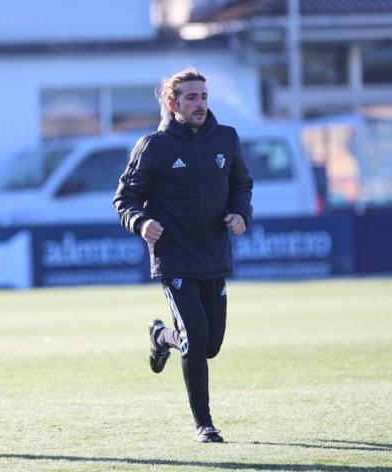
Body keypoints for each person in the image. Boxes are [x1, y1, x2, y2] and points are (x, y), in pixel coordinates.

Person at [113, 67, 253, 443]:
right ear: (172, 104)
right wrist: (141, 223)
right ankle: (204, 424)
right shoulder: (153, 146)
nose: (199, 104)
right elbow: (124, 199)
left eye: (204, 97)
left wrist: (241, 213)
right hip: (174, 258)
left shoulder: (226, 138)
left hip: (214, 255)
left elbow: (242, 184)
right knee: (196, 333)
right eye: (191, 98)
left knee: (210, 345)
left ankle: (161, 337)